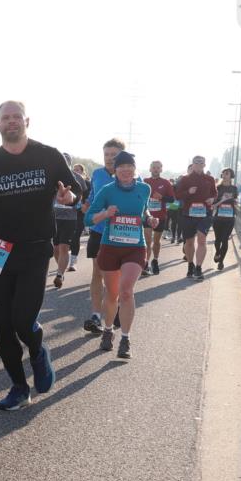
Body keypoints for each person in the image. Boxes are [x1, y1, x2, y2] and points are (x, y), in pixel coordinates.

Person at [0, 101, 80, 410]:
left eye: (17, 116)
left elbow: (75, 188)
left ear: (27, 121)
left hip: (34, 250)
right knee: (2, 326)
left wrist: (70, 196)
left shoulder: (48, 155)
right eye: (6, 118)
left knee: (22, 321)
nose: (12, 121)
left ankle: (37, 349)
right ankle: (19, 387)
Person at [84, 151, 156, 359]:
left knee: (126, 291)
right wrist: (106, 214)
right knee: (112, 293)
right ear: (115, 170)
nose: (125, 170)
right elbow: (88, 219)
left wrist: (149, 219)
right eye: (121, 167)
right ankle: (108, 330)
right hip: (110, 246)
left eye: (129, 166)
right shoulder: (107, 190)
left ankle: (125, 338)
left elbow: (144, 212)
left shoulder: (144, 188)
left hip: (135, 247)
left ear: (135, 169)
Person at [82, 138, 125, 333]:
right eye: (106, 154)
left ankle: (113, 308)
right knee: (97, 273)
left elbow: (140, 204)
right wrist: (86, 206)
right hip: (99, 231)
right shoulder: (97, 174)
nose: (109, 158)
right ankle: (95, 315)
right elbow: (92, 197)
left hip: (121, 233)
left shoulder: (132, 177)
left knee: (116, 276)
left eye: (113, 155)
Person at [176, 155, 217, 281]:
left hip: (205, 214)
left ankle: (198, 268)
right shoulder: (185, 179)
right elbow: (177, 195)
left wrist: (212, 199)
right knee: (189, 242)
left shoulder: (210, 179)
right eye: (196, 162)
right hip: (188, 214)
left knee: (201, 240)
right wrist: (188, 192)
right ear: (192, 165)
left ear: (205, 165)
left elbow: (215, 194)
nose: (199, 164)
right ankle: (190, 265)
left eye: (201, 163)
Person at [52, 152, 86, 288]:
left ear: (69, 163)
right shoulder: (52, 176)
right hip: (54, 217)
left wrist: (76, 202)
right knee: (55, 248)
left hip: (70, 218)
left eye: (66, 161)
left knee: (64, 247)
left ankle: (59, 274)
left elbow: (82, 193)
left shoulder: (77, 177)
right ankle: (61, 269)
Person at [143, 159, 175, 275]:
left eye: (158, 167)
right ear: (150, 169)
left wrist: (161, 197)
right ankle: (145, 263)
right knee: (147, 240)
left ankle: (155, 260)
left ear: (161, 169)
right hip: (147, 216)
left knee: (156, 241)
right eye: (154, 167)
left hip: (160, 216)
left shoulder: (166, 183)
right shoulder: (145, 181)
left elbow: (172, 199)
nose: (156, 169)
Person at [211, 167, 239, 269]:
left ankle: (221, 262)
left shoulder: (234, 188)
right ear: (221, 175)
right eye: (223, 173)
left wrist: (235, 202)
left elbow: (235, 201)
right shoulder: (217, 188)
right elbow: (213, 204)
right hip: (218, 218)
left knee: (225, 239)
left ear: (231, 175)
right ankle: (217, 252)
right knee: (218, 239)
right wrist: (222, 200)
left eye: (227, 173)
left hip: (229, 218)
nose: (225, 175)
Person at [67, 163, 90, 272]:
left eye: (78, 170)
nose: (75, 171)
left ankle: (73, 262)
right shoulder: (67, 182)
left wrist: (83, 206)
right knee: (66, 240)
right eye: (74, 169)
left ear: (82, 172)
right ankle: (65, 259)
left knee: (75, 237)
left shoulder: (86, 183)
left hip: (79, 214)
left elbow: (89, 197)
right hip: (66, 214)